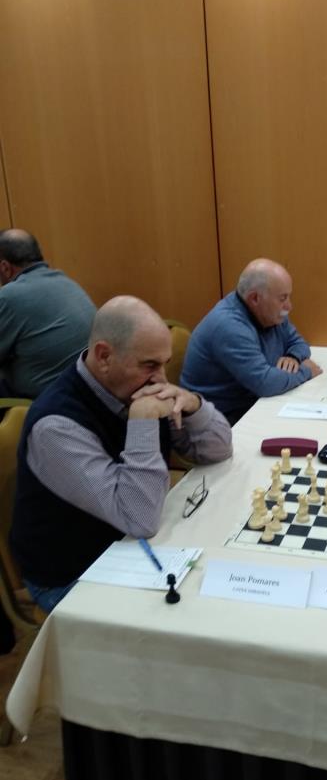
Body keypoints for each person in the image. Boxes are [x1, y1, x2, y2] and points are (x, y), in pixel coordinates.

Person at [10, 296, 233, 612]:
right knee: (198, 617)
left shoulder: (136, 389)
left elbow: (220, 449)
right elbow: (139, 519)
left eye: (165, 364)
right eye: (150, 365)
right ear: (104, 356)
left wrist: (193, 405)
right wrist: (142, 424)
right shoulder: (56, 426)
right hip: (73, 575)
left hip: (128, 545)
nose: (161, 379)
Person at [181, 258, 322, 424]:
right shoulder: (229, 326)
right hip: (219, 418)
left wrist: (293, 357)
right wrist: (306, 371)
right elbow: (265, 383)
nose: (289, 306)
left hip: (251, 402)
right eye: (283, 298)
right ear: (255, 298)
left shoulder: (270, 314)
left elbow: (299, 343)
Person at [0, 228, 96, 398]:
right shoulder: (66, 281)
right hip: (86, 389)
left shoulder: (9, 296)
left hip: (46, 399)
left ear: (5, 267)